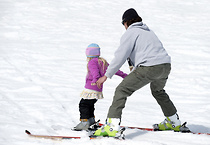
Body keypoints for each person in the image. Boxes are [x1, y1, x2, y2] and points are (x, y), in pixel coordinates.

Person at [94, 8, 183, 137]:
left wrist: (106, 75)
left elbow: (121, 56)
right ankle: (173, 121)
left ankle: (112, 127)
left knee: (121, 90)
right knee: (158, 91)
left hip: (149, 67)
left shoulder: (131, 32)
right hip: (165, 66)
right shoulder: (148, 32)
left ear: (126, 23)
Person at [74, 43, 127, 131]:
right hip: (97, 90)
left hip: (91, 88)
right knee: (90, 104)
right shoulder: (102, 62)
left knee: (83, 104)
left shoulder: (92, 62)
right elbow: (113, 69)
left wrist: (95, 80)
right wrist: (124, 75)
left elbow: (95, 73)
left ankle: (84, 122)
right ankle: (91, 120)